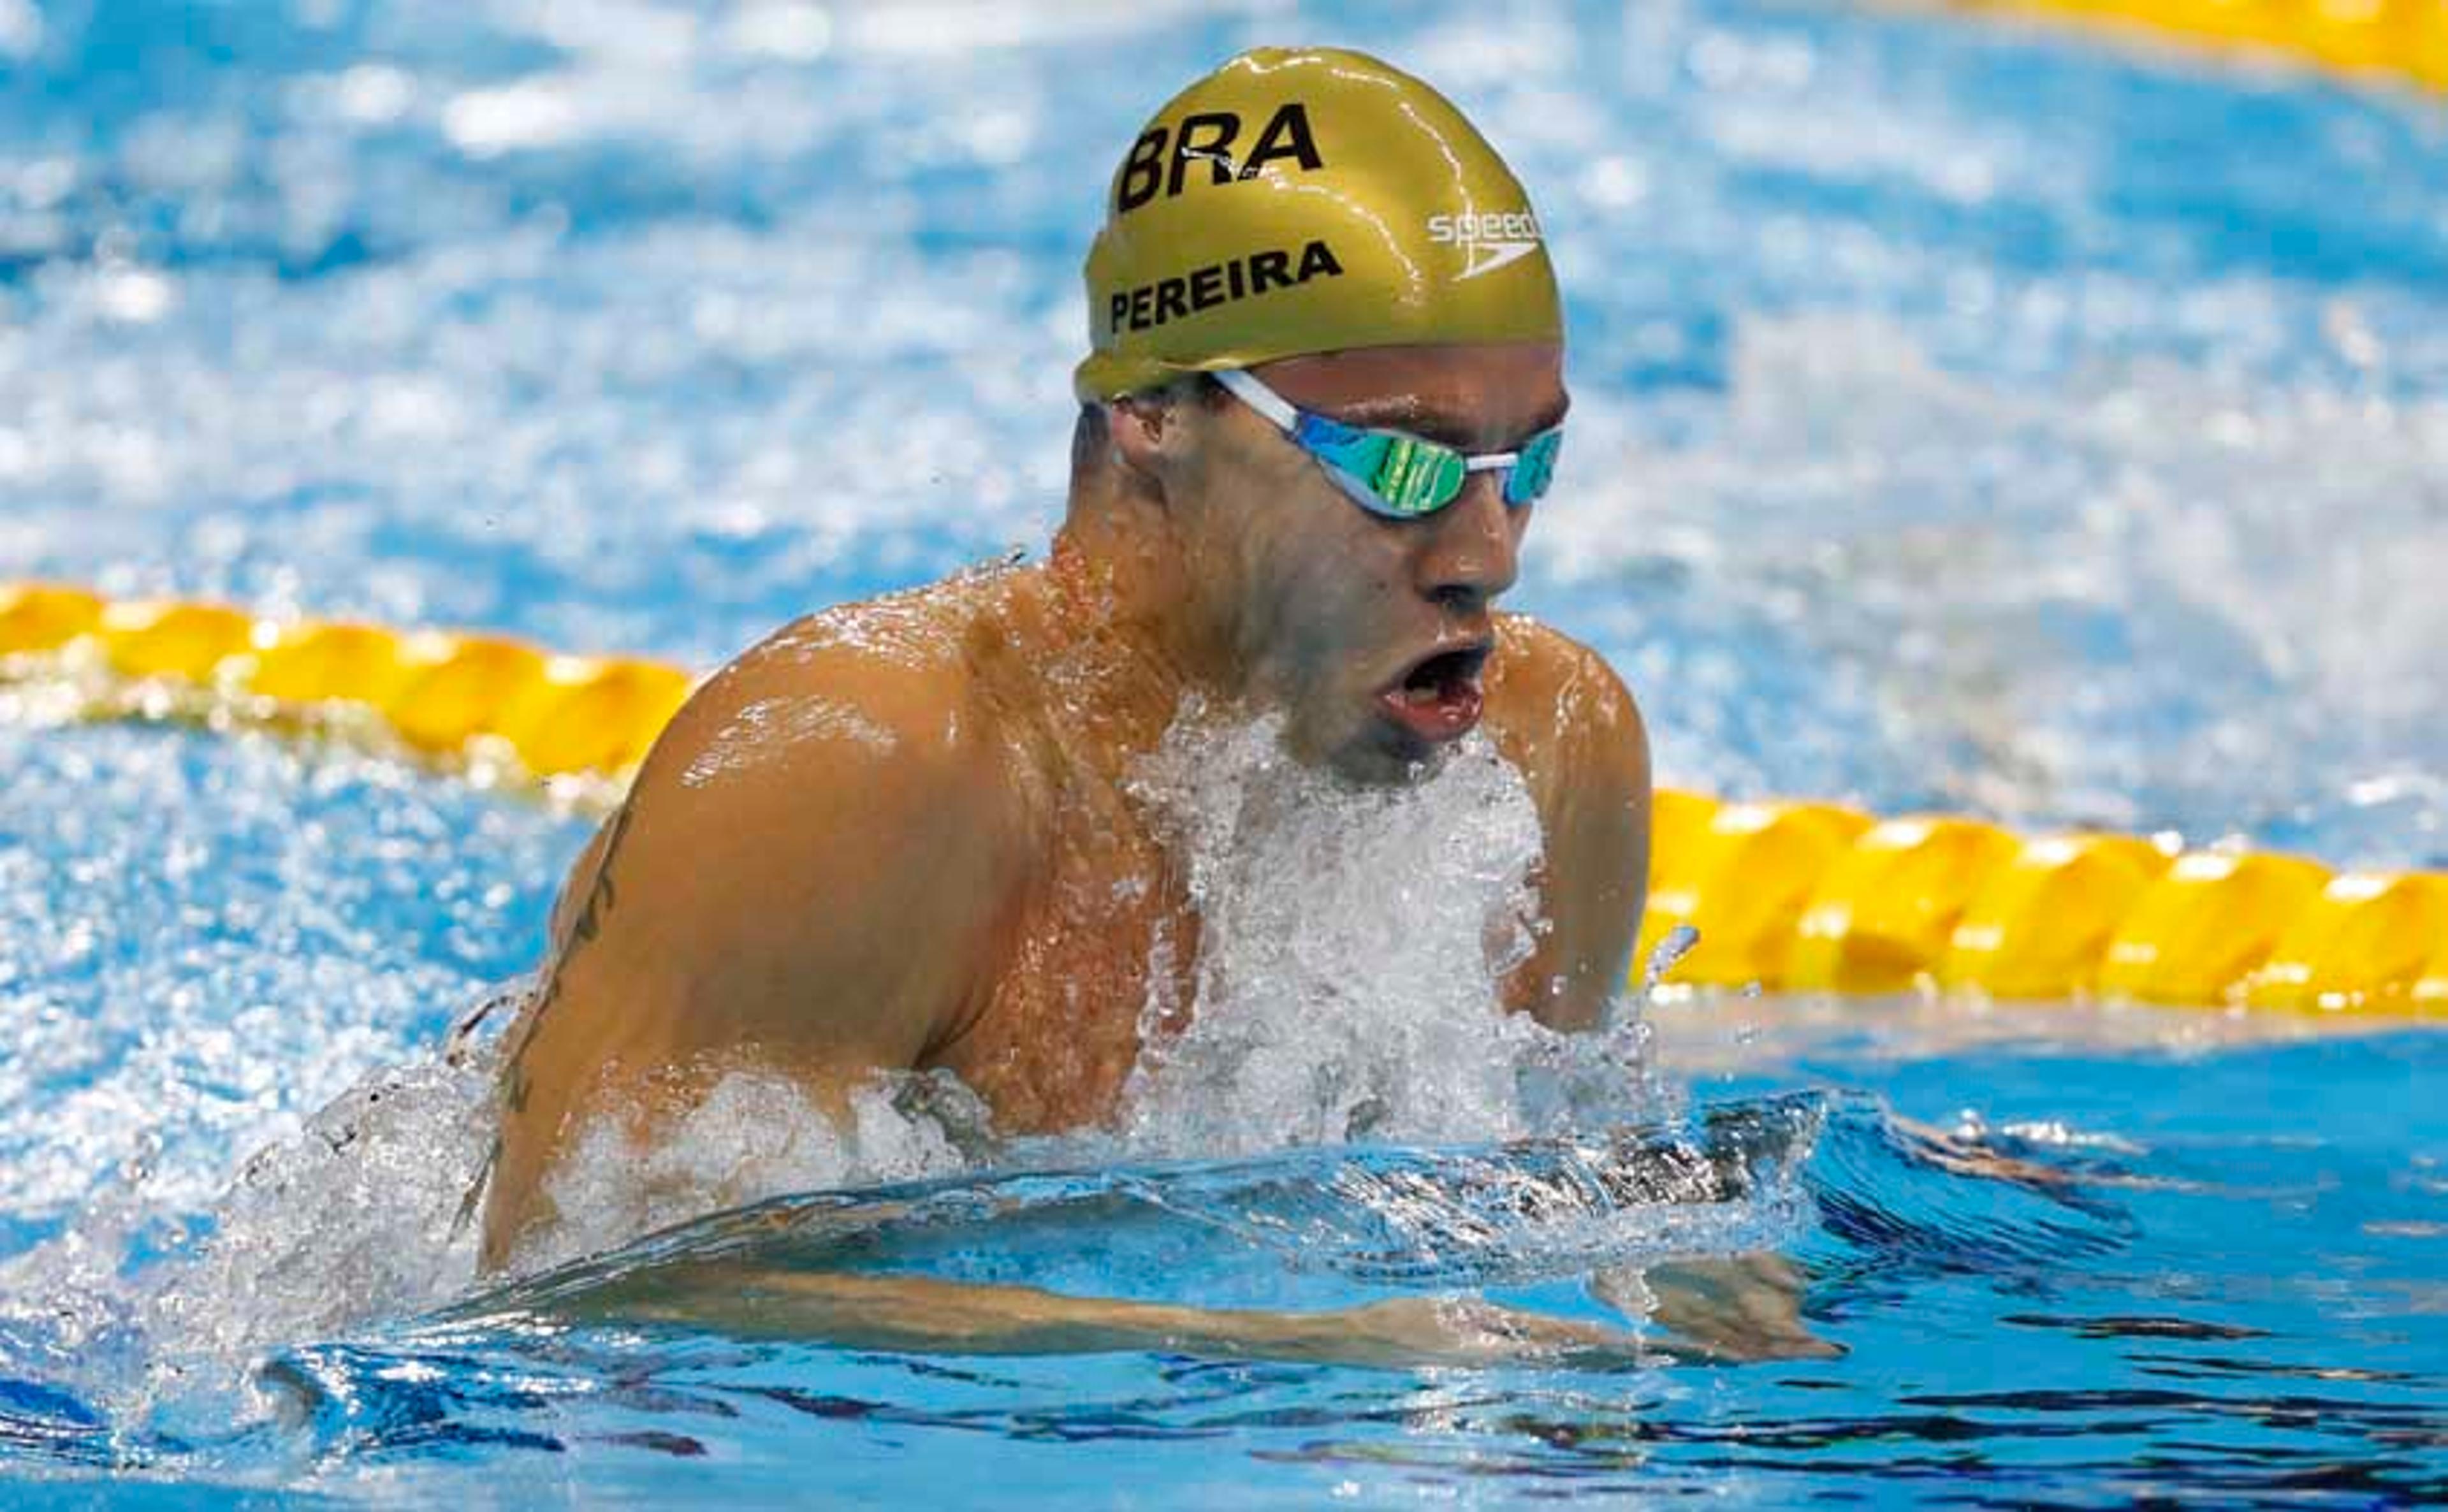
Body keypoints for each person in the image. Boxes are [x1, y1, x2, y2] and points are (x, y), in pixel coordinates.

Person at [476, 47, 1657, 1321]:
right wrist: (1256, 1350)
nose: (1489, 556)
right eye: (1400, 464)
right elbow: (583, 1307)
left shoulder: (1549, 755)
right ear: (1158, 409)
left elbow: (1538, 1224)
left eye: (1525, 462)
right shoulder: (857, 770)